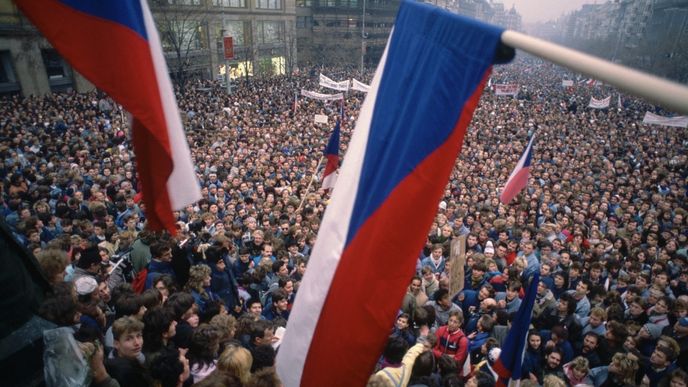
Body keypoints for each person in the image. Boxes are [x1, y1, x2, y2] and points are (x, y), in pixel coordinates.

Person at [105, 316, 150, 387]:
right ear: (116, 344)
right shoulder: (120, 373)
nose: (137, 343)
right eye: (129, 339)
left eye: (139, 336)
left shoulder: (136, 357)